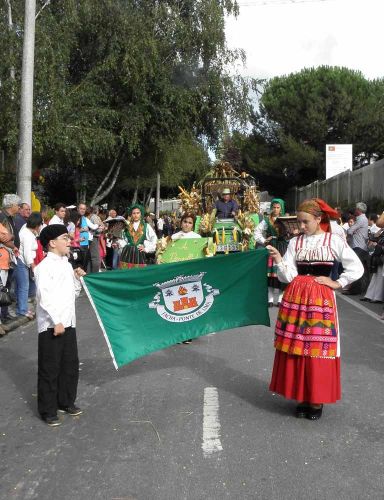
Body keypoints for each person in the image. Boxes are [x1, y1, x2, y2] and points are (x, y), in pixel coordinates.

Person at [267, 198, 364, 420]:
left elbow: (355, 266)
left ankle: (316, 400)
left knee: (319, 347)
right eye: (299, 222)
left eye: (305, 222)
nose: (301, 227)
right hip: (296, 297)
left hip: (320, 299)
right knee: (297, 346)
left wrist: (337, 282)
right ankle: (301, 396)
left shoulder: (333, 241)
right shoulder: (295, 243)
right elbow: (289, 275)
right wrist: (280, 259)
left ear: (318, 219)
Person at [35, 224, 86, 426]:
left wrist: (76, 279)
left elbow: (72, 294)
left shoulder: (66, 264)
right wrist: (56, 321)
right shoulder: (44, 267)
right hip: (51, 326)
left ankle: (66, 401)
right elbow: (44, 297)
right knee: (50, 367)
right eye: (65, 238)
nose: (69, 241)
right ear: (52, 243)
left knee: (69, 365)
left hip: (68, 322)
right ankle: (47, 409)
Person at [254, 198, 288, 306]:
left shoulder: (286, 219)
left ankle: (280, 299)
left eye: (278, 207)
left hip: (283, 247)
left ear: (281, 208)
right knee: (270, 275)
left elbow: (292, 233)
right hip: (271, 246)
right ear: (271, 208)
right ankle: (270, 299)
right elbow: (257, 232)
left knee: (282, 273)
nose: (276, 209)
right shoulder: (266, 220)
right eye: (274, 207)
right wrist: (264, 240)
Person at [15, 212, 43, 318]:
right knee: (24, 286)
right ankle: (22, 310)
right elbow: (27, 252)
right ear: (37, 224)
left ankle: (21, 308)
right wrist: (32, 265)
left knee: (21, 286)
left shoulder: (27, 230)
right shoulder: (27, 235)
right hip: (22, 262)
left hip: (22, 261)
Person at [345, 202, 369, 294]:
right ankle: (360, 289)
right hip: (360, 247)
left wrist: (352, 231)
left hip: (358, 247)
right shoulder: (362, 219)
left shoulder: (361, 219)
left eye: (356, 209)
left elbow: (350, 230)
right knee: (361, 269)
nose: (355, 210)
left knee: (356, 269)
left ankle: (355, 290)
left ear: (358, 210)